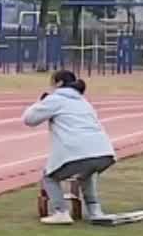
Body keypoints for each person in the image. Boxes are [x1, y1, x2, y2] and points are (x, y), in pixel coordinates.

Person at [23, 70, 116, 224]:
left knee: (49, 177)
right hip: (104, 152)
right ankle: (95, 211)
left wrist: (40, 102)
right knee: (87, 173)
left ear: (59, 83)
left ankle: (61, 212)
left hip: (77, 151)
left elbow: (29, 119)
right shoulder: (84, 101)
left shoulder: (55, 99)